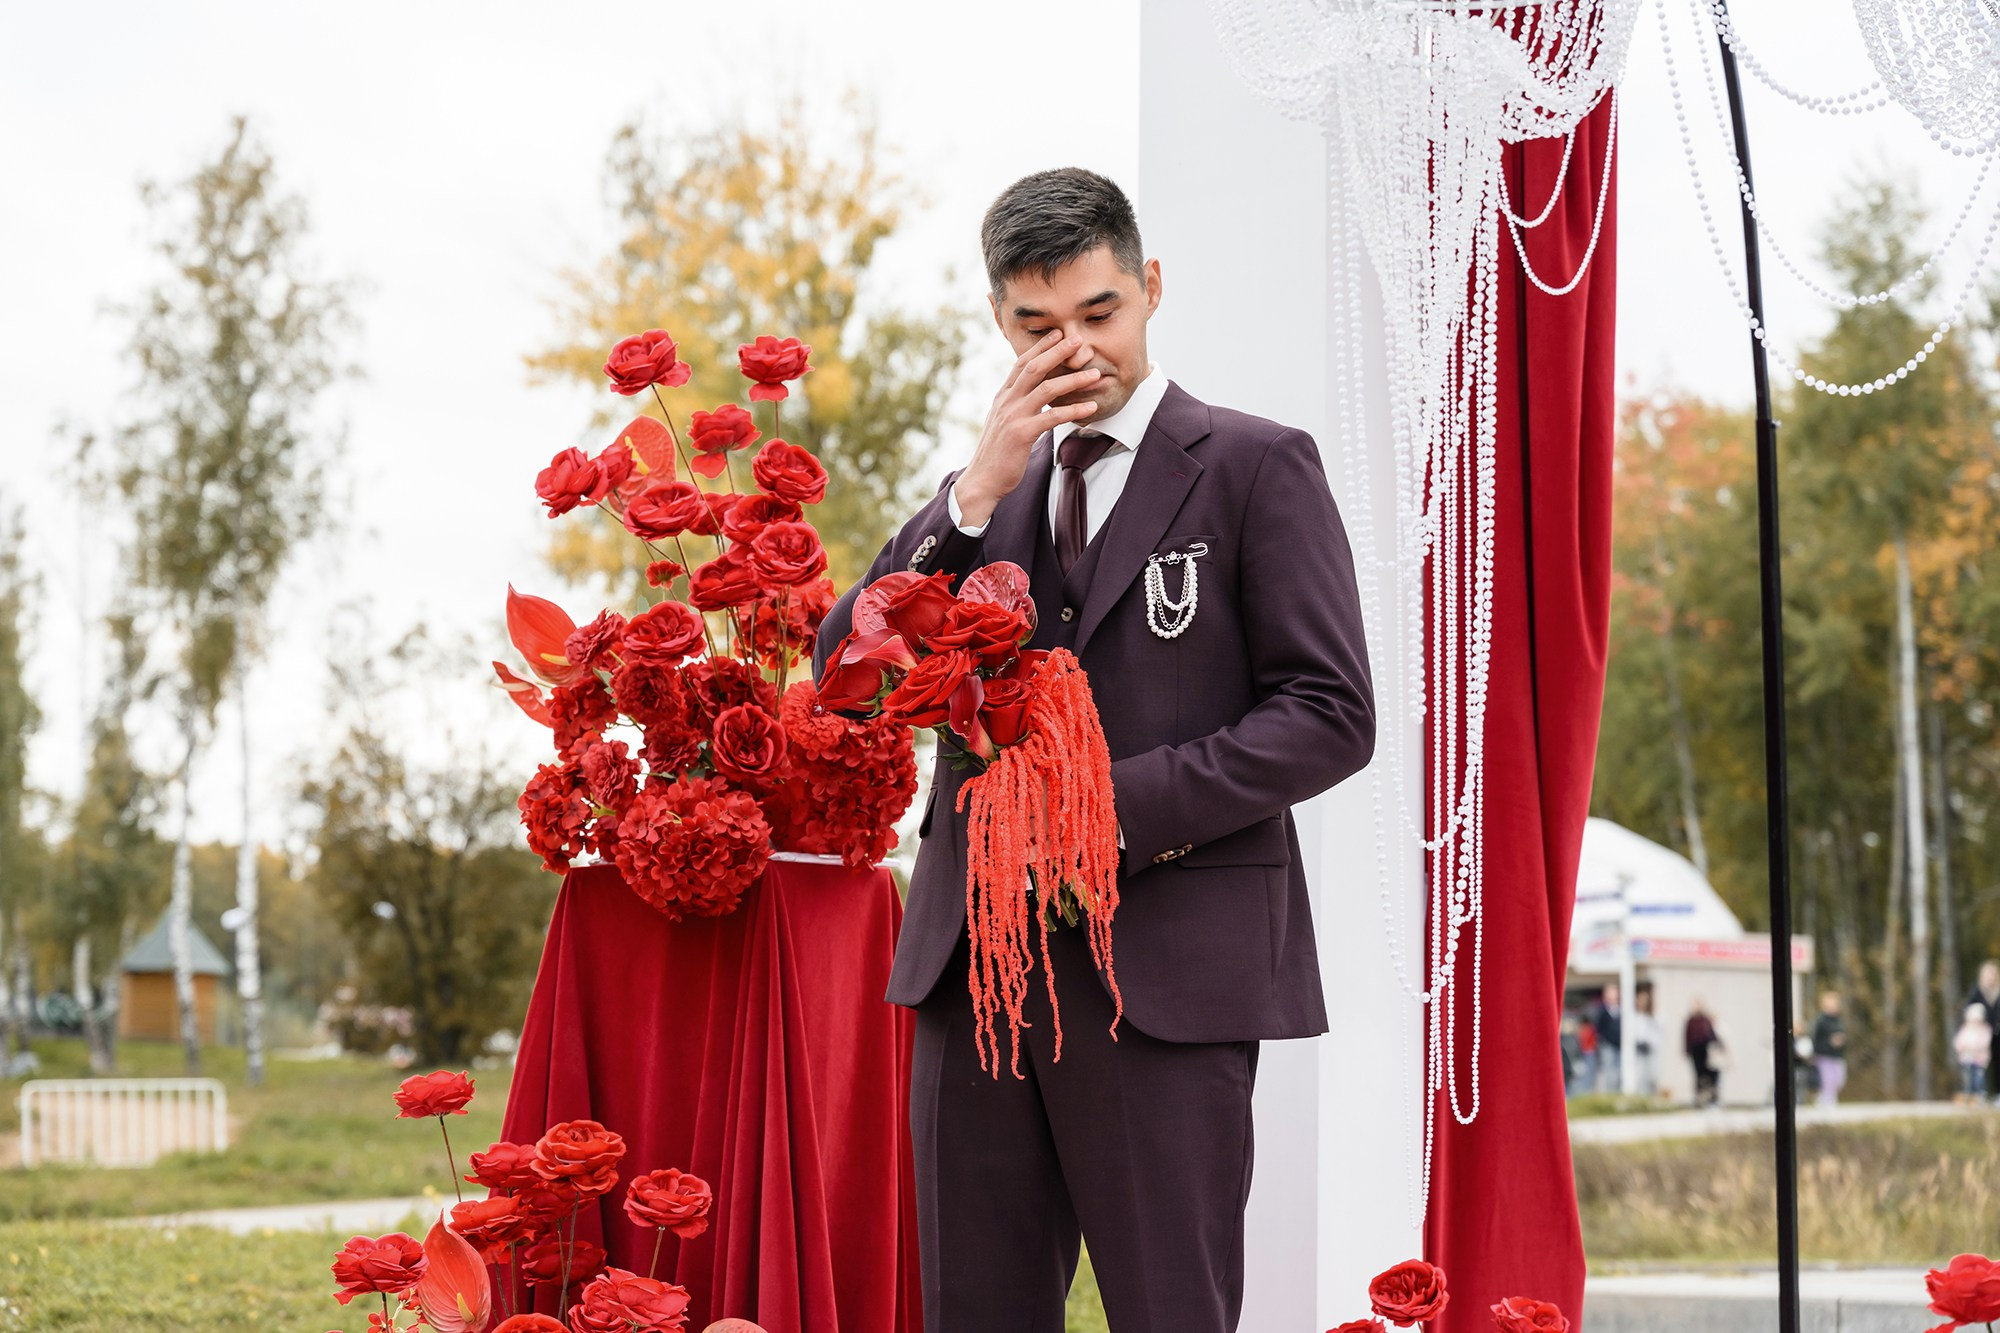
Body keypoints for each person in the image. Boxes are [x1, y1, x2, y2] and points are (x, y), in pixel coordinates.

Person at [812, 168, 1375, 1333]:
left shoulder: (1257, 466)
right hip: (971, 974)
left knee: (1170, 1312)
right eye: (1037, 325)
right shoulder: (980, 502)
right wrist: (970, 489)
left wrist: (1100, 812)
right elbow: (842, 682)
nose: (1072, 347)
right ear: (999, 323)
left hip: (1163, 977)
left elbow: (1329, 709)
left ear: (1150, 288)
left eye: (1098, 312)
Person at [1811, 990, 1848, 1107]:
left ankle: (1827, 1099)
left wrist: (1841, 1041)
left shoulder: (1838, 1020)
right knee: (1827, 1080)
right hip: (1824, 1055)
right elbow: (1815, 1038)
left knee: (1839, 1079)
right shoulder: (1820, 1021)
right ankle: (1826, 1102)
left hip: (1837, 1055)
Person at [1969, 960, 2000, 1099]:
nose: (1991, 977)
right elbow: (1969, 1011)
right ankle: (1979, 1093)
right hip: (1980, 1036)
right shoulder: (1976, 991)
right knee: (1978, 1066)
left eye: (1993, 974)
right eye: (1988, 973)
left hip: (1997, 1034)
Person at [1685, 998, 1723, 1108]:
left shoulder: (1705, 1020)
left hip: (1705, 1051)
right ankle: (1699, 1101)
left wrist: (1717, 1048)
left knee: (1709, 1077)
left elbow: (1712, 1036)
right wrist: (1687, 1050)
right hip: (1695, 1051)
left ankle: (1712, 1100)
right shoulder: (1690, 1020)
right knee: (1698, 1077)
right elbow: (1687, 1037)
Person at [1954, 1002, 1992, 1105]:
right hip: (1967, 1059)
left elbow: (1984, 1043)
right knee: (1967, 1078)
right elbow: (1958, 1042)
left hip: (1979, 1059)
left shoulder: (1984, 1030)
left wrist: (1975, 1048)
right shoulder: (1965, 1030)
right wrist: (1963, 1048)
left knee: (1978, 1078)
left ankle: (1980, 1094)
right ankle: (1968, 1095)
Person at [1630, 982, 1662, 1097]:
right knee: (1638, 1075)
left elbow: (1657, 1033)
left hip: (1650, 1049)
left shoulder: (1652, 1017)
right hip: (1638, 1048)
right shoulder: (1633, 1016)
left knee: (1652, 1075)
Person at [1594, 982, 1624, 1094]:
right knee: (1608, 1071)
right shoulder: (1602, 1011)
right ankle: (1609, 1094)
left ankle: (1616, 1092)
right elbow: (1599, 1029)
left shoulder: (1622, 1010)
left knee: (1619, 1071)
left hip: (1619, 1045)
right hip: (1608, 1046)